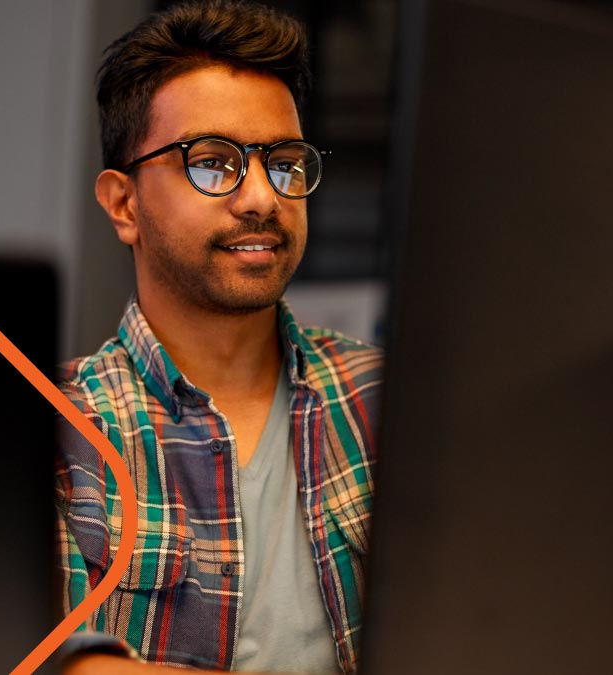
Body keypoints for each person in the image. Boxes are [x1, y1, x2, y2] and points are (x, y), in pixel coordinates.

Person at [54, 2, 384, 673]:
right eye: (212, 162)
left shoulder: (390, 396)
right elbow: (54, 660)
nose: (261, 196)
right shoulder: (59, 428)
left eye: (284, 163)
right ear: (124, 204)